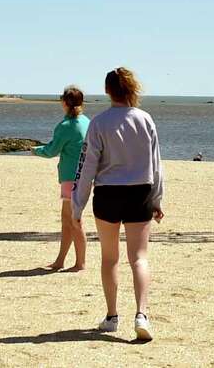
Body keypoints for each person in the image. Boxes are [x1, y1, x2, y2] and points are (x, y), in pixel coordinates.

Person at [71, 67, 164, 341]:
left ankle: (112, 316)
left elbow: (87, 167)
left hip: (108, 194)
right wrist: (157, 199)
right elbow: (156, 165)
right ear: (132, 89)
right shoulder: (145, 119)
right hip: (140, 193)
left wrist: (78, 206)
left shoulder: (99, 123)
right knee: (139, 258)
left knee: (110, 258)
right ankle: (142, 314)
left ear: (107, 90)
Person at [31, 85, 89, 271]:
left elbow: (51, 150)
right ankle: (61, 260)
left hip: (71, 177)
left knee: (74, 220)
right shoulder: (86, 122)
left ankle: (80, 263)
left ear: (64, 103)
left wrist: (35, 151)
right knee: (68, 220)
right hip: (84, 175)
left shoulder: (66, 126)